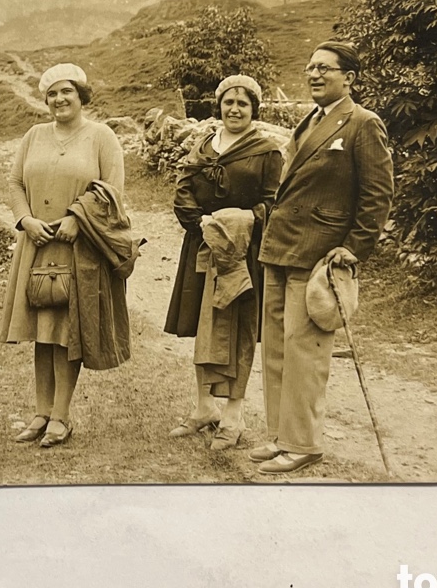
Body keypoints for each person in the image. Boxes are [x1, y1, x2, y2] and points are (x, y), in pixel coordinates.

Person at [252, 41, 394, 474]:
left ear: (349, 78)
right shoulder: (310, 120)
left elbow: (378, 194)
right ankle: (280, 435)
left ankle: (303, 444)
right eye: (310, 67)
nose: (314, 75)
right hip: (280, 247)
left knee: (305, 352)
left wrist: (354, 247)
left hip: (317, 254)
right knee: (276, 347)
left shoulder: (362, 123)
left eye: (325, 69)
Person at [0, 64, 130, 448]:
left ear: (81, 95)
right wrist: (25, 220)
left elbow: (113, 191)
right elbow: (14, 182)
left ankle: (60, 416)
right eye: (52, 94)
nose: (59, 99)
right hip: (36, 244)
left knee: (64, 330)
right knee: (42, 330)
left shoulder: (101, 136)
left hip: (78, 246)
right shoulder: (34, 135)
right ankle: (40, 413)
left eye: (66, 91)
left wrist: (77, 217)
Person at [163, 75, 282, 450]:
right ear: (219, 105)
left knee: (239, 329)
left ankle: (233, 415)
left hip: (243, 252)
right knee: (205, 324)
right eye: (228, 102)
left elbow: (274, 203)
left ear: (254, 109)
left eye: (243, 103)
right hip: (202, 245)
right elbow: (183, 191)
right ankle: (204, 408)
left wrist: (244, 218)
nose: (234, 109)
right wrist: (200, 222)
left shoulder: (267, 151)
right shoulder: (203, 146)